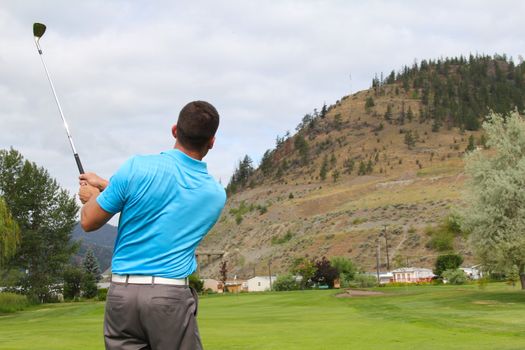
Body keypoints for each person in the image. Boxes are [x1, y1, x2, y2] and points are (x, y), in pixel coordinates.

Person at [78, 100, 226, 350]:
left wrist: (92, 197)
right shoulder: (214, 194)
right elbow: (169, 199)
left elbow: (88, 220)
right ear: (211, 141)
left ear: (174, 130)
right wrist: (105, 185)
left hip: (122, 296)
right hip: (169, 297)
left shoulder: (136, 167)